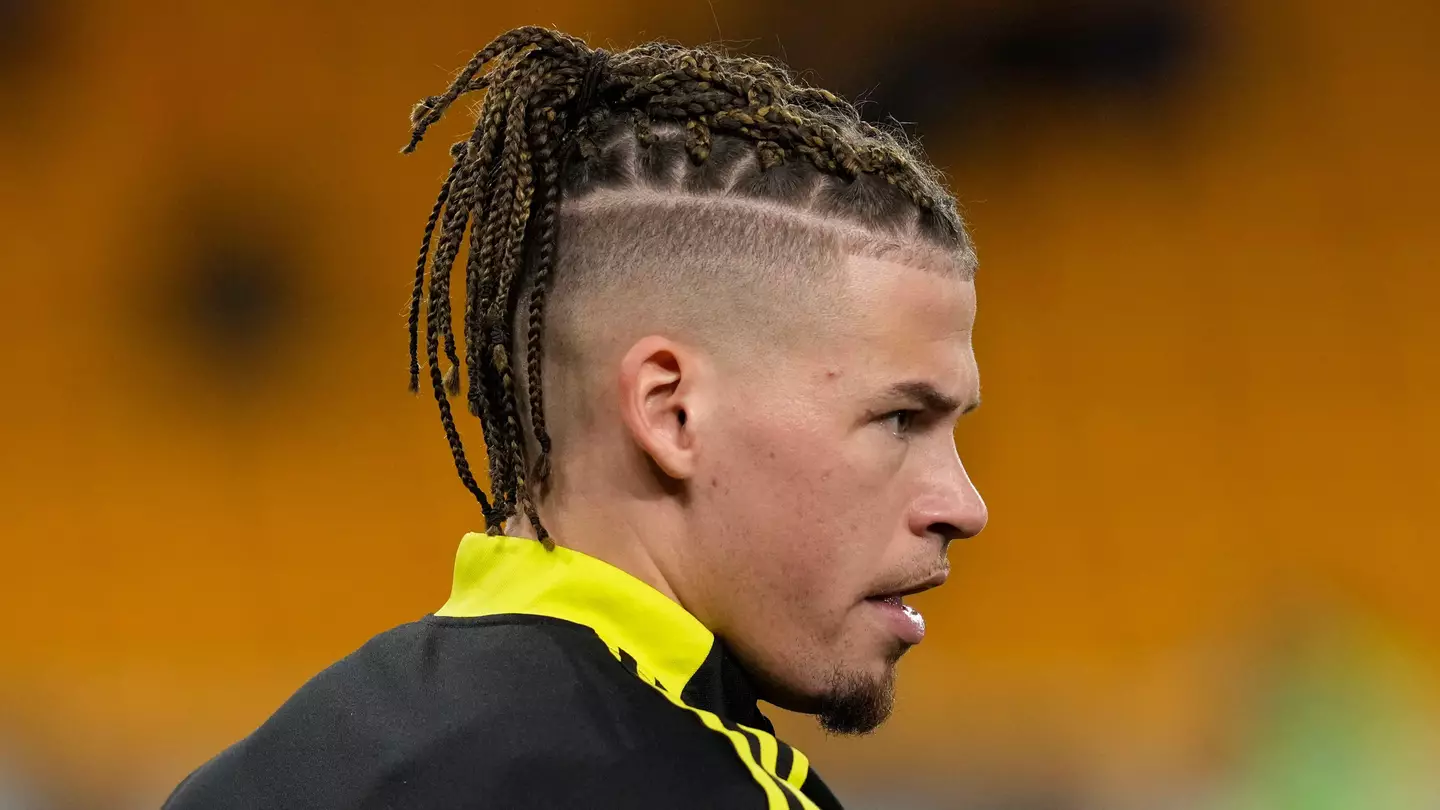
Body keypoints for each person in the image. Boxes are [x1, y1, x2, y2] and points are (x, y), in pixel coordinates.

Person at [164, 25, 987, 810]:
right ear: (672, 413)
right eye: (902, 419)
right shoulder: (714, 790)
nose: (964, 506)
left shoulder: (252, 782)